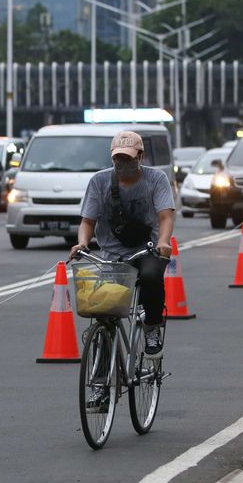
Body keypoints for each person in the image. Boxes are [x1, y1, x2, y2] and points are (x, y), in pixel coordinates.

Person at [70, 130, 176, 359]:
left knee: (150, 276)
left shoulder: (155, 179)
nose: (122, 163)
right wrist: (82, 243)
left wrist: (163, 242)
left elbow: (166, 216)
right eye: (118, 158)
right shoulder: (99, 181)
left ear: (140, 157)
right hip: (111, 256)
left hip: (147, 249)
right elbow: (88, 221)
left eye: (127, 158)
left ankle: (152, 328)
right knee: (104, 314)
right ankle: (100, 380)